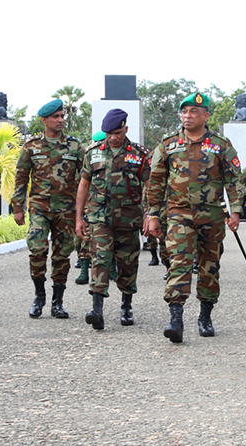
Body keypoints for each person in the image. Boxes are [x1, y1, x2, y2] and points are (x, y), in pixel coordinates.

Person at [147, 92, 242, 343]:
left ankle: (205, 315)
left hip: (211, 215)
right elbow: (155, 182)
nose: (188, 116)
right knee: (179, 262)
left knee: (210, 267)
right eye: (185, 112)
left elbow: (233, 180)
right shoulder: (168, 144)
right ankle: (176, 319)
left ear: (205, 116)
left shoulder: (221, 144)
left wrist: (237, 212)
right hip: (179, 214)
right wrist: (153, 215)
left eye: (194, 112)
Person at [75, 109, 149, 330]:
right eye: (108, 133)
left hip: (128, 219)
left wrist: (149, 214)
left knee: (128, 264)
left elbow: (151, 186)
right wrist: (79, 217)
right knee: (100, 259)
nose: (112, 137)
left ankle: (126, 306)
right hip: (100, 218)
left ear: (125, 129)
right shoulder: (93, 153)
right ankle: (96, 310)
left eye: (117, 132)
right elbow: (84, 186)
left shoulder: (139, 154)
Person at [12, 99, 83, 320]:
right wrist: (17, 207)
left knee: (62, 256)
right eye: (56, 117)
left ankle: (57, 302)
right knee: (37, 250)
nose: (61, 120)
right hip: (40, 208)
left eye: (62, 116)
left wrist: (85, 211)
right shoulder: (31, 147)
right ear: (44, 120)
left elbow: (85, 180)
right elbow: (21, 178)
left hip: (67, 210)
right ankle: (39, 295)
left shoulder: (75, 146)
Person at [74, 130, 106, 285]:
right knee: (85, 239)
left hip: (106, 206)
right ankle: (83, 271)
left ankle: (111, 270)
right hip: (90, 205)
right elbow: (81, 185)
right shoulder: (89, 157)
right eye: (95, 143)